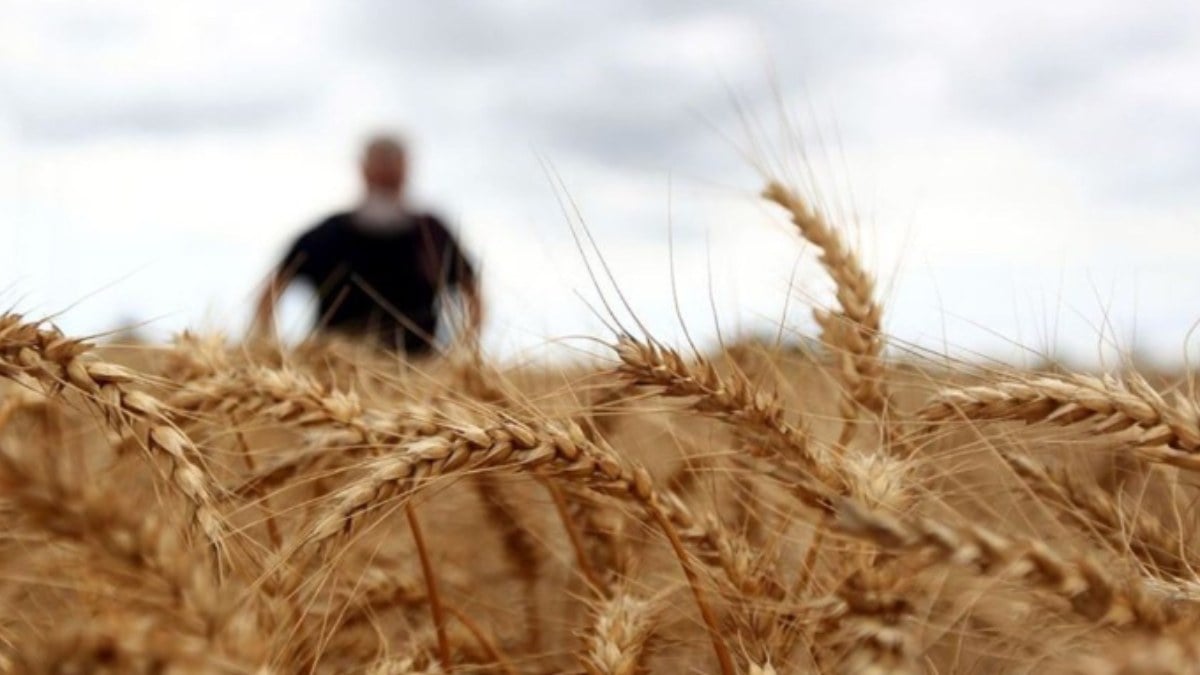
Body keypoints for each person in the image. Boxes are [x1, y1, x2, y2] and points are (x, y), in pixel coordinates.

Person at [254, 134, 482, 355]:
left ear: (405, 171)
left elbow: (473, 294)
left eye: (391, 175)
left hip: (418, 370)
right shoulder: (327, 235)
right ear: (363, 170)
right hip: (333, 370)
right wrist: (271, 352)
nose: (385, 179)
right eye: (380, 172)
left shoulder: (432, 234)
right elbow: (271, 291)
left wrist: (458, 354)